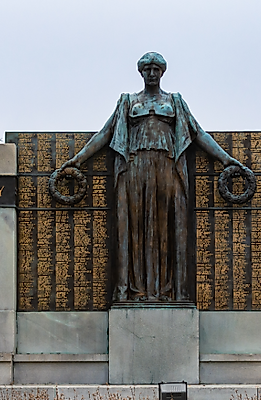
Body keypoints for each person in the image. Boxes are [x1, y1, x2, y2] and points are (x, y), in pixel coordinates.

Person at [57, 52, 250, 302]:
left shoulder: (175, 101)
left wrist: (225, 158)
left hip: (168, 167)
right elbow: (105, 134)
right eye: (147, 69)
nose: (151, 74)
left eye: (155, 69)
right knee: (135, 229)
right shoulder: (128, 101)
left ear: (162, 72)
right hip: (135, 167)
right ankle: (135, 289)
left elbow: (198, 133)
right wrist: (78, 158)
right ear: (141, 73)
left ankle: (168, 289)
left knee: (168, 227)